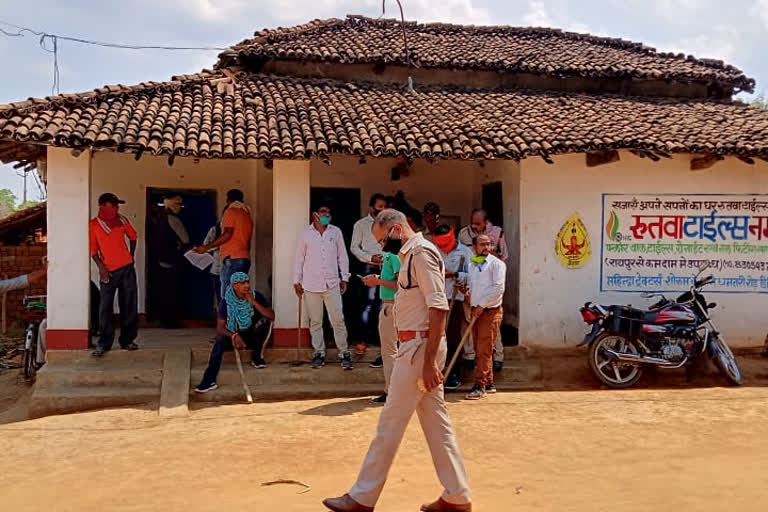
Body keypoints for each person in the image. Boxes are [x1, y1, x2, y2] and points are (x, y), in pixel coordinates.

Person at [323, 209, 471, 512]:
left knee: (389, 423)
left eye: (382, 239)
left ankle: (362, 498)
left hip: (419, 349)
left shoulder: (421, 254)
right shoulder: (409, 255)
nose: (381, 247)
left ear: (398, 229)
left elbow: (439, 307)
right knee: (436, 425)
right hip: (416, 347)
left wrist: (429, 362)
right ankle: (457, 495)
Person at [194, 272, 275, 393]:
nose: (247, 285)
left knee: (265, 322)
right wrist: (233, 335)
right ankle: (208, 380)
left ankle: (257, 357)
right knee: (220, 339)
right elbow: (220, 328)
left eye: (247, 282)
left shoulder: (255, 296)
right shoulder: (226, 302)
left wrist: (253, 302)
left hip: (251, 335)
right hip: (234, 335)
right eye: (242, 283)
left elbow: (271, 316)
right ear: (234, 286)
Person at [294, 204, 353, 370]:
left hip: (332, 283)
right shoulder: (306, 233)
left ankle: (344, 352)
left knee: (338, 319)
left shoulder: (336, 232)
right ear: (315, 215)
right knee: (316, 321)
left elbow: (342, 256)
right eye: (323, 212)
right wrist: (296, 280)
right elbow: (300, 258)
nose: (327, 215)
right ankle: (319, 353)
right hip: (311, 283)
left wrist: (345, 277)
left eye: (328, 212)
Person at [89, 192, 139, 357]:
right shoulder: (94, 225)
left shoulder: (122, 220)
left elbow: (133, 236)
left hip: (126, 269)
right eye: (114, 205)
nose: (117, 208)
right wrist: (102, 268)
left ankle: (127, 340)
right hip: (108, 271)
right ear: (104, 206)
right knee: (105, 307)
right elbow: (93, 251)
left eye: (118, 206)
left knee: (129, 304)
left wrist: (131, 256)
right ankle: (104, 343)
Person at [458, 209, 508, 371]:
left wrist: (488, 257)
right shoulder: (464, 234)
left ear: (486, 223)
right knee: (469, 323)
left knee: (492, 326)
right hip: (474, 287)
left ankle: (497, 357)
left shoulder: (497, 233)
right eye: (472, 222)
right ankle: (470, 356)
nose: (474, 226)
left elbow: (504, 256)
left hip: (490, 288)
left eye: (478, 224)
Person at [463, 234, 506, 400]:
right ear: (474, 246)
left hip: (490, 311)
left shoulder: (497, 265)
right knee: (479, 348)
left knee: (484, 349)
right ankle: (489, 382)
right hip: (476, 310)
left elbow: (498, 288)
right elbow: (471, 284)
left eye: (489, 244)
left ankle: (480, 385)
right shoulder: (473, 263)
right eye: (482, 244)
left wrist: (482, 305)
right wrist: (466, 292)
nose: (486, 247)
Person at [432, 225, 473, 391]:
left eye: (444, 244)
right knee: (436, 337)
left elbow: (471, 275)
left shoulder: (465, 252)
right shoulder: (433, 251)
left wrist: (455, 275)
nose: (442, 248)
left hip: (455, 299)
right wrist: (446, 274)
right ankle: (437, 370)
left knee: (453, 336)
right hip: (436, 298)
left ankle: (453, 374)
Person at [194, 189, 253, 298]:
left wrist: (206, 248)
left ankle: (226, 315)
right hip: (244, 258)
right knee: (239, 297)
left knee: (227, 297)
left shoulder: (231, 212)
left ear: (228, 200)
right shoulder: (246, 214)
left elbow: (227, 234)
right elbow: (248, 241)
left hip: (233, 259)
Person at [361, 249, 401, 404]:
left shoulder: (394, 256)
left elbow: (401, 284)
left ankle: (391, 391)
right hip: (392, 306)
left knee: (389, 352)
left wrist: (377, 281)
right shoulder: (393, 256)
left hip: (392, 306)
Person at [350, 193, 387, 354]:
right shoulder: (361, 225)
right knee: (366, 304)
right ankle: (362, 339)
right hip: (369, 267)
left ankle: (381, 341)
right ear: (371, 208)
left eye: (384, 207)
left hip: (387, 268)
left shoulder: (389, 224)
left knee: (384, 305)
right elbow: (354, 247)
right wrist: (370, 257)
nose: (382, 210)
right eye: (379, 207)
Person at [149, 192, 189, 328]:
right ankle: (170, 321)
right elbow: (186, 239)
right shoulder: (173, 219)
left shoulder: (157, 217)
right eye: (178, 203)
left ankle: (164, 319)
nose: (180, 206)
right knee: (171, 291)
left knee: (163, 290)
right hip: (171, 260)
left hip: (158, 260)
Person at [202, 220, 223, 307]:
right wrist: (218, 243)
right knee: (219, 296)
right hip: (217, 268)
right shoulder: (215, 229)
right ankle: (221, 317)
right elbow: (205, 246)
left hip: (230, 267)